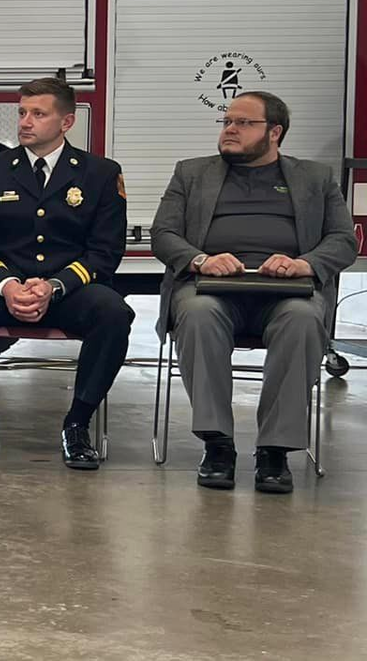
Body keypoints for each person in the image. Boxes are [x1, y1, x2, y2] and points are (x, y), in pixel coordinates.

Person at [151, 91, 353, 494]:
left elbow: (343, 240)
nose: (230, 129)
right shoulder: (191, 173)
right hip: (212, 286)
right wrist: (199, 260)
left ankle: (275, 451)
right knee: (199, 313)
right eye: (227, 121)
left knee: (303, 320)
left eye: (243, 123)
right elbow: (164, 234)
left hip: (286, 291)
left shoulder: (315, 178)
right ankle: (218, 444)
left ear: (274, 132)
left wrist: (306, 263)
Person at [0, 77, 133, 469]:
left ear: (66, 123)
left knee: (114, 314)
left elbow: (105, 252)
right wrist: (8, 286)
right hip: (4, 291)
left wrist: (54, 286)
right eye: (22, 113)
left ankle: (77, 424)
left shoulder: (100, 175)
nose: (25, 122)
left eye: (38, 114)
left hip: (69, 292)